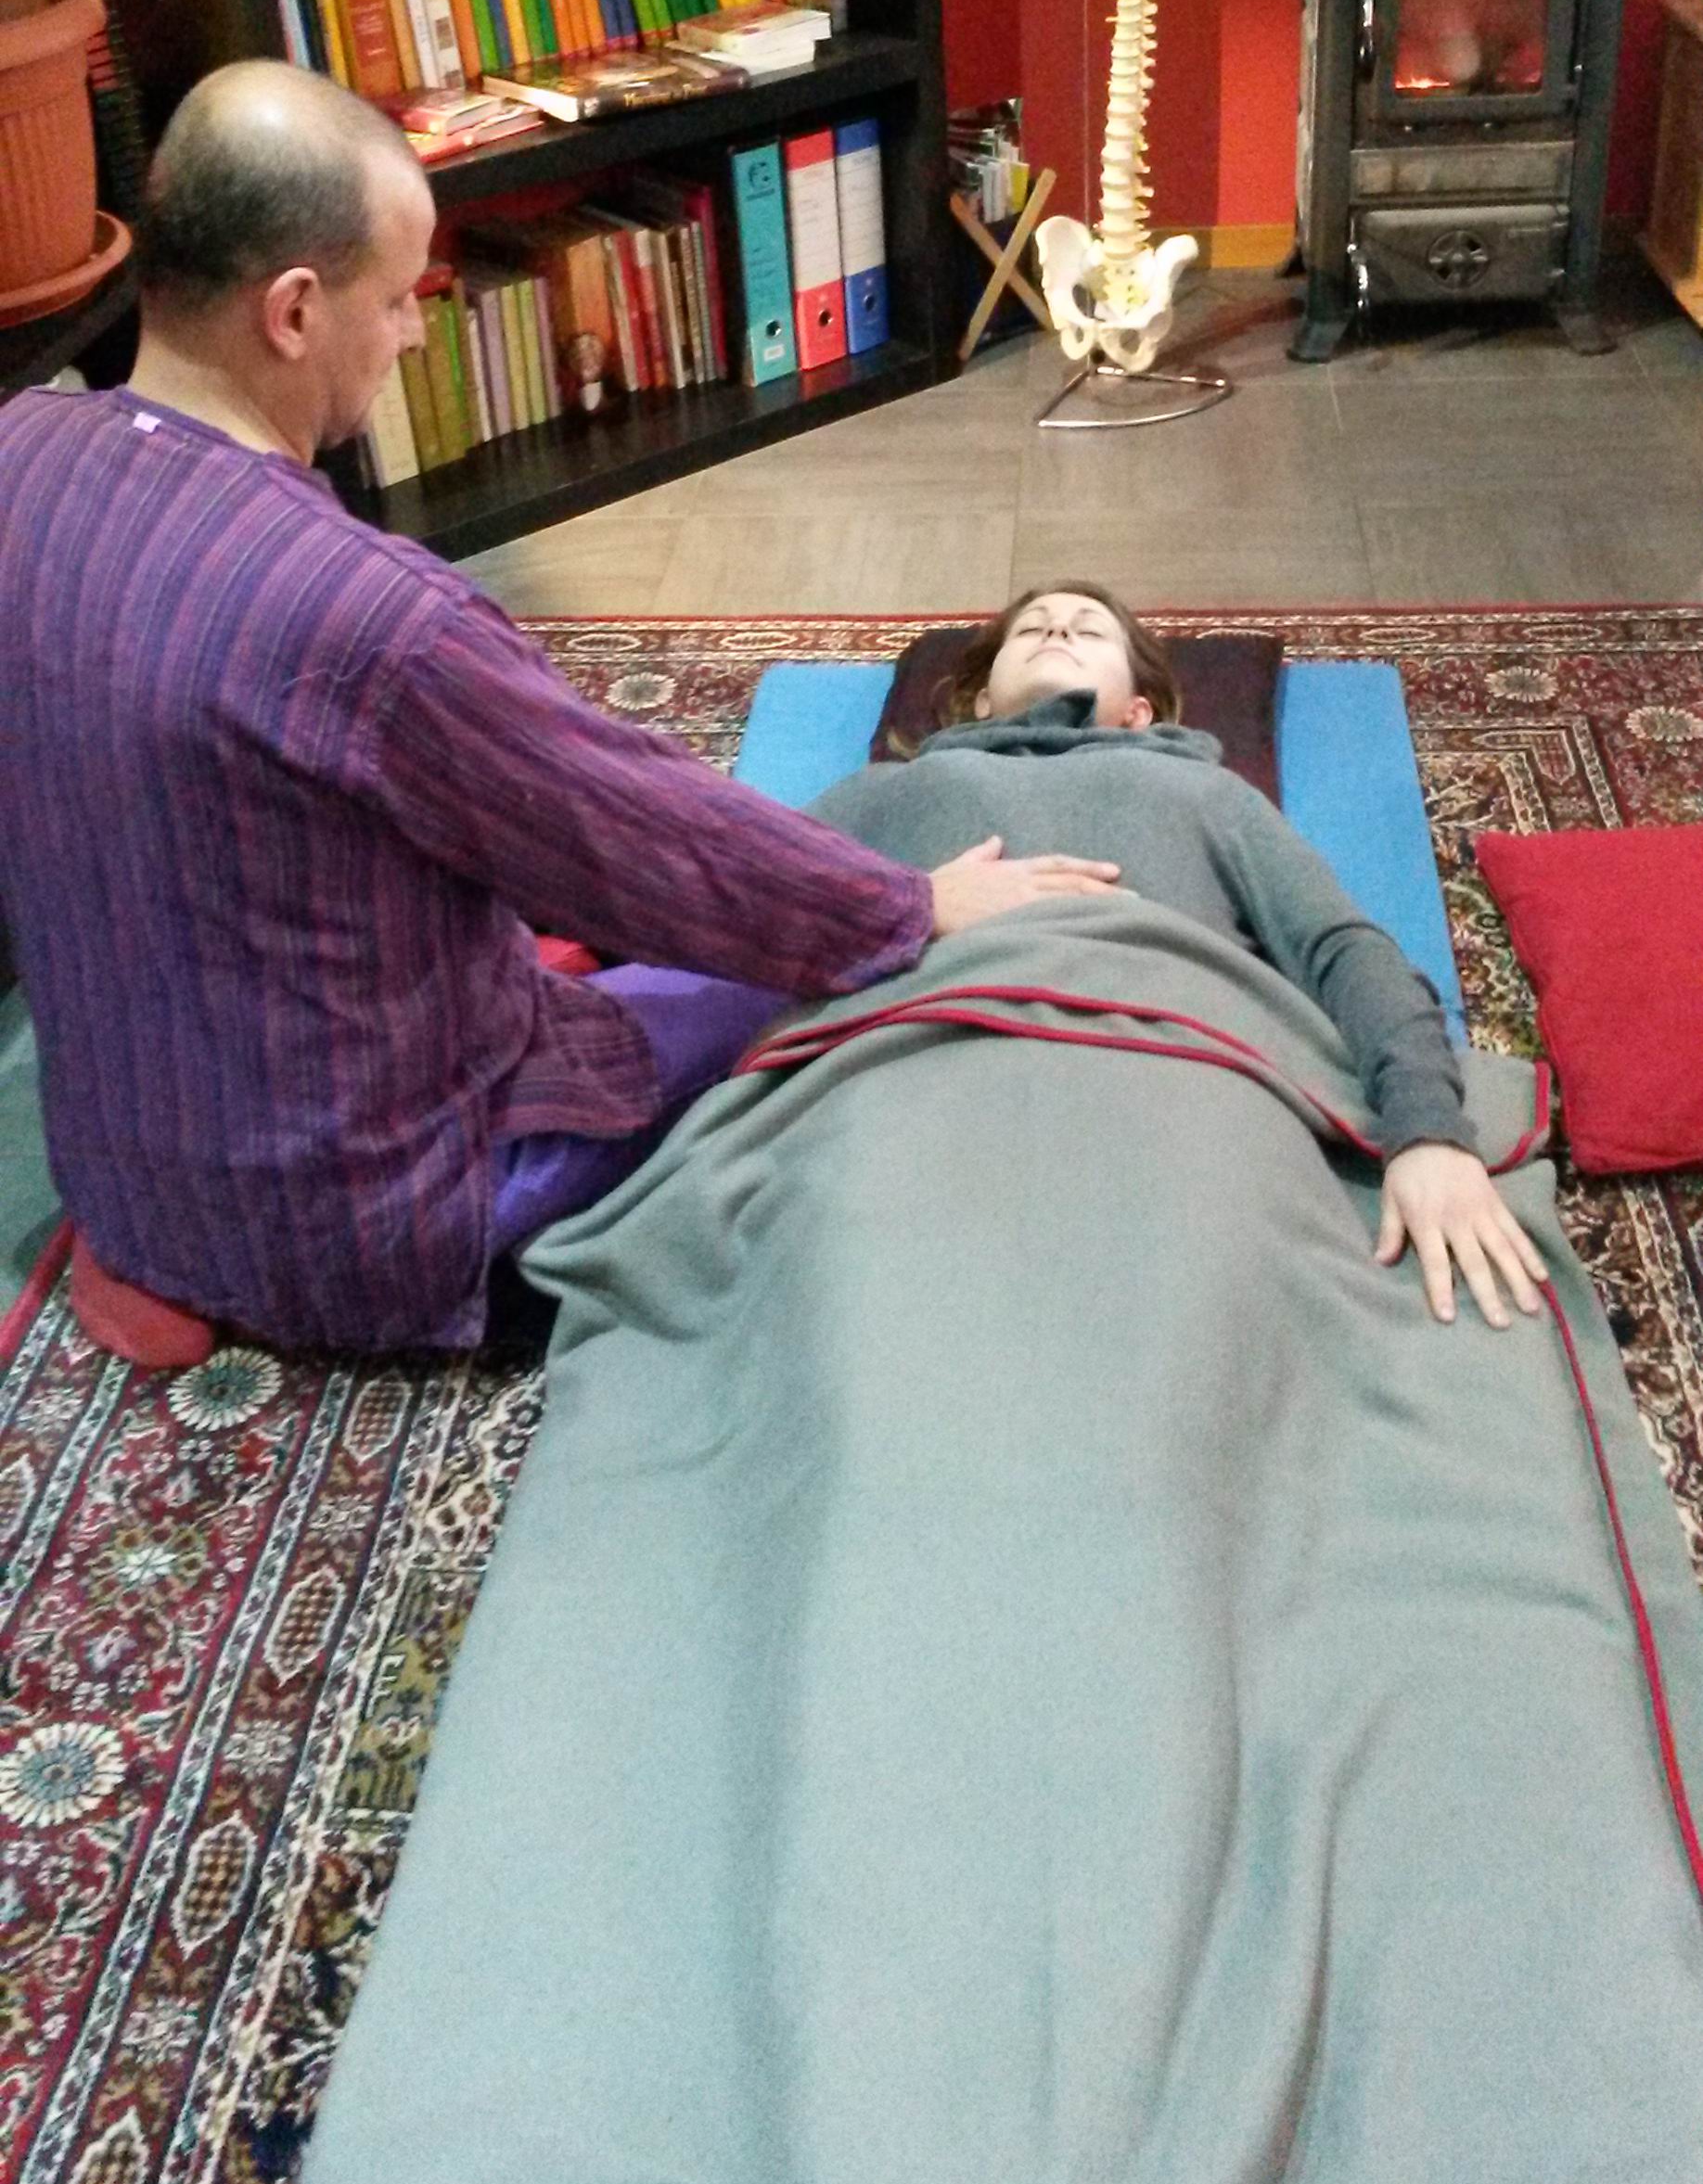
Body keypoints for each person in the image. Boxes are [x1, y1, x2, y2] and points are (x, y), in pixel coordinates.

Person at [0, 68, 1120, 1360]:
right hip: (369, 1232)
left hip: (130, 1186)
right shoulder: (368, 618)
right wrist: (910, 908)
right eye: (399, 299)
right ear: (294, 312)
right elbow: (640, 836)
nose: (414, 337)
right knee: (797, 991)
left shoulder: (21, 450)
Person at [809, 580, 1550, 1333]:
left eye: (1088, 630)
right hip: (917, 1077)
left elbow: (1342, 949)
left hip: (1172, 1086)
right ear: (979, 702)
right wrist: (914, 905)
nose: (1057, 632)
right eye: (1032, 628)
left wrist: (1427, 1131)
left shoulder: (1203, 791)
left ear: (1139, 711)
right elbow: (751, 918)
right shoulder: (886, 792)